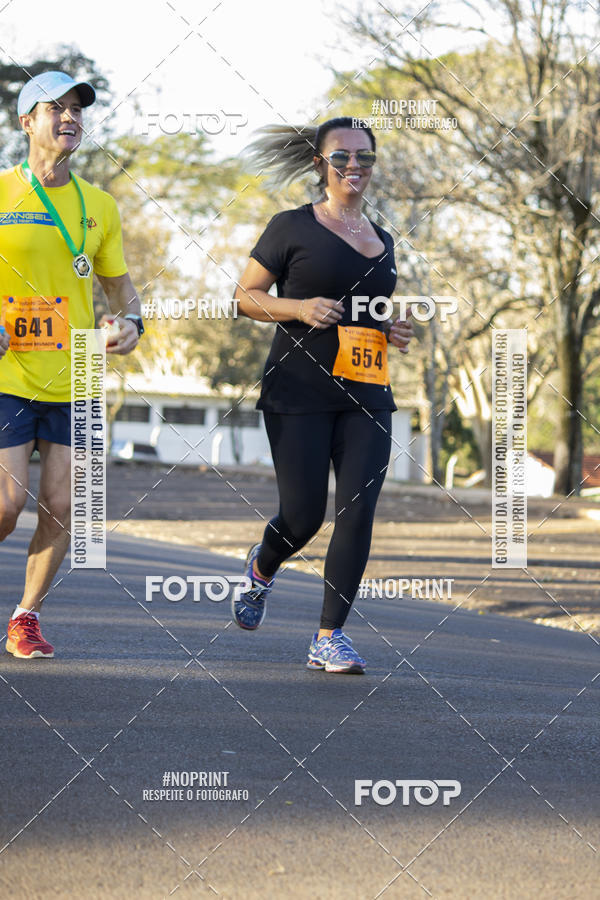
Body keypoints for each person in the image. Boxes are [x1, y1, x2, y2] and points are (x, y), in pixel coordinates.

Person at [232, 116, 413, 673]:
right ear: (320, 164)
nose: (354, 165)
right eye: (341, 156)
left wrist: (391, 328)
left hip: (367, 392)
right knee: (303, 516)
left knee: (357, 512)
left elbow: (367, 311)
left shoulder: (382, 238)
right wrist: (299, 308)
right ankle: (263, 566)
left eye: (364, 157)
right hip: (299, 391)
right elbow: (245, 297)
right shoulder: (291, 226)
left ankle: (328, 637)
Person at [0, 71, 144, 658]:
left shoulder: (98, 205)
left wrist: (132, 324)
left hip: (79, 369)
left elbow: (120, 288)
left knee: (63, 508)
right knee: (6, 506)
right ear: (26, 121)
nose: (69, 118)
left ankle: (26, 617)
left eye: (77, 110)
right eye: (55, 108)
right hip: (8, 370)